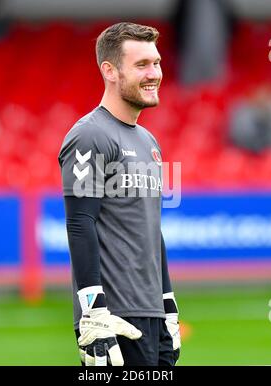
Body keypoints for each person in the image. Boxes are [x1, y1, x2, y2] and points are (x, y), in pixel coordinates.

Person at [58, 22, 181, 366]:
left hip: (152, 314)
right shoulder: (90, 136)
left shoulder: (149, 141)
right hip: (114, 318)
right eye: (141, 65)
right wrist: (93, 311)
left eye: (156, 63)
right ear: (109, 71)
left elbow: (151, 227)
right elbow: (80, 223)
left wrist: (168, 302)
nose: (154, 73)